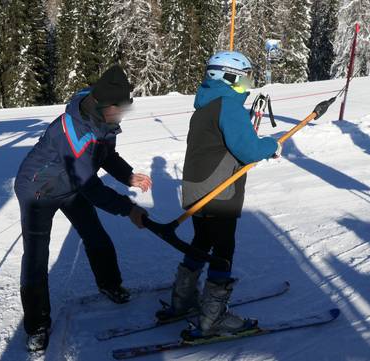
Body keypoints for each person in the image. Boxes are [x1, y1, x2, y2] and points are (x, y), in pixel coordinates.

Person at [14, 65, 152, 352]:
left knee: (95, 235)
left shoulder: (103, 118)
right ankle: (37, 326)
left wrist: (127, 175)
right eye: (121, 109)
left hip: (72, 186)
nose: (124, 114)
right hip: (38, 190)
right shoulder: (73, 131)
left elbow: (106, 155)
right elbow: (91, 186)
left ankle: (110, 285)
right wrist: (128, 209)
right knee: (37, 257)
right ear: (105, 106)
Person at [156, 51, 282, 339]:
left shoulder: (205, 105)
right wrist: (270, 145)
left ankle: (183, 300)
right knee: (223, 250)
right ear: (228, 78)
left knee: (202, 240)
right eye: (245, 78)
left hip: (196, 189)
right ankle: (213, 319)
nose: (249, 85)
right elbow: (248, 150)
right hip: (219, 191)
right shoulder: (229, 105)